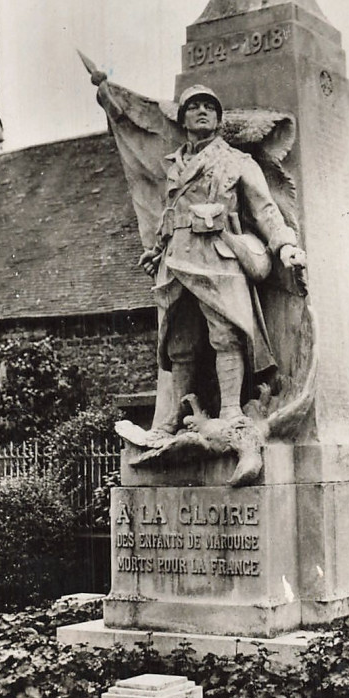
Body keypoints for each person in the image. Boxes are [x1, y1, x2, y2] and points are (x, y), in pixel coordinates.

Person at [138, 84, 305, 438]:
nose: (202, 111)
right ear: (182, 118)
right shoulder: (173, 165)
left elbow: (265, 210)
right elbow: (169, 214)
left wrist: (285, 245)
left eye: (209, 107)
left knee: (226, 334)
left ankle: (230, 408)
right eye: (194, 106)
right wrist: (156, 250)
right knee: (179, 343)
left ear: (218, 118)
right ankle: (173, 418)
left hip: (219, 254)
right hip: (178, 259)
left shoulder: (237, 161)